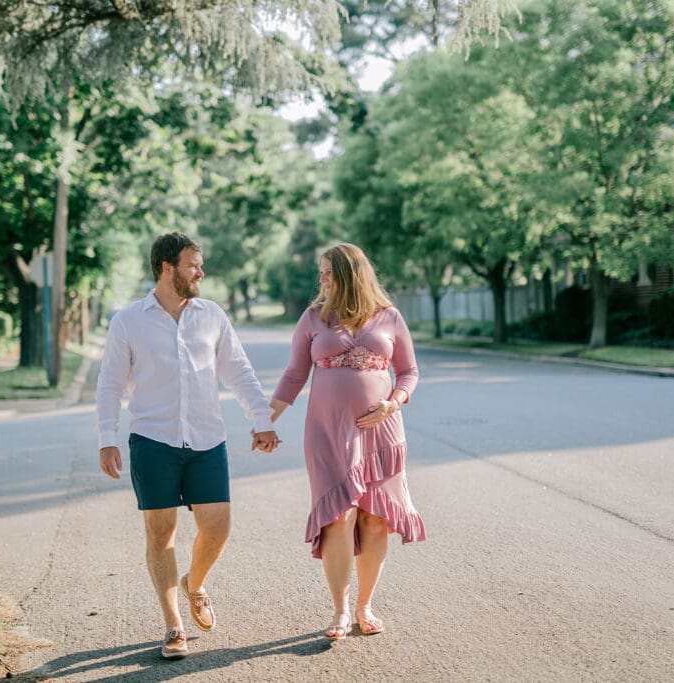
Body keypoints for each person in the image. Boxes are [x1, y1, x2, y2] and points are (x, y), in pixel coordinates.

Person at [96, 232, 280, 660]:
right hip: (152, 441)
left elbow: (238, 372)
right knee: (161, 534)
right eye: (193, 264)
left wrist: (262, 419)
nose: (201, 271)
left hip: (206, 439)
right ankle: (173, 625)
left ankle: (194, 584)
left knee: (217, 527)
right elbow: (110, 384)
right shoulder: (128, 321)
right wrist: (107, 438)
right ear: (166, 267)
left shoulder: (211, 315)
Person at [269, 242, 426, 640]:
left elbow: (408, 372)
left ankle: (364, 605)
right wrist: (263, 420)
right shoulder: (312, 318)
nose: (321, 280)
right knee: (338, 515)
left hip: (382, 431)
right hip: (327, 432)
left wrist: (393, 403)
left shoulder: (389, 316)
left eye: (327, 272)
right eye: (320, 272)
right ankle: (340, 611)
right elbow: (293, 376)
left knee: (375, 520)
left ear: (350, 275)